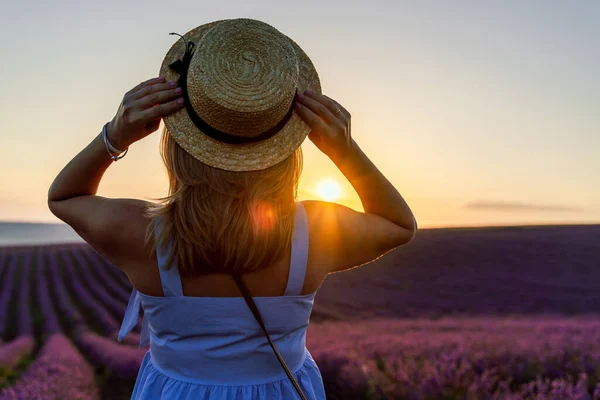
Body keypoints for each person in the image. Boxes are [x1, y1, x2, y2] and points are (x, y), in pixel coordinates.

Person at [47, 18, 417, 400]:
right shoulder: (315, 232)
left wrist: (114, 134)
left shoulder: (139, 232)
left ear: (178, 138)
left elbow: (65, 197)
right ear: (288, 143)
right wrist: (345, 150)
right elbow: (397, 224)